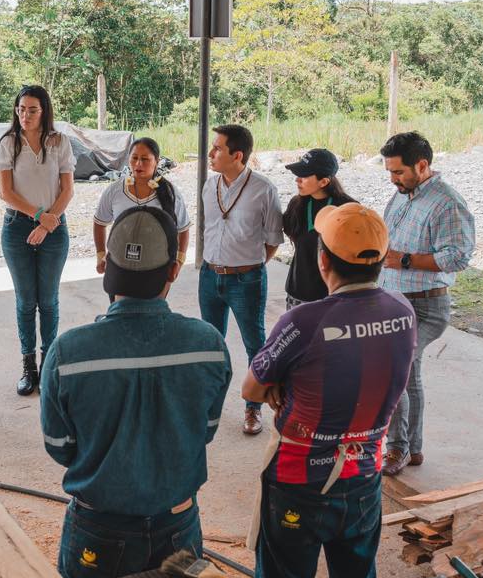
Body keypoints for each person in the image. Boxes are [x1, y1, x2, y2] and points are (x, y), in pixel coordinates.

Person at [242, 204, 416, 578]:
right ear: (381, 260)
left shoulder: (304, 320)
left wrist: (282, 387)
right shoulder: (402, 312)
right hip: (363, 479)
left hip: (298, 483)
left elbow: (252, 389)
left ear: (323, 260)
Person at [41, 206, 231, 578]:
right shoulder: (209, 345)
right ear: (173, 271)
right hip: (177, 524)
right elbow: (204, 431)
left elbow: (59, 447)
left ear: (106, 268)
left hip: (98, 529)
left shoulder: (67, 354)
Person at [377, 131, 475, 476]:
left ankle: (396, 448)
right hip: (393, 300)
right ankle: (413, 448)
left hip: (424, 306)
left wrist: (404, 260)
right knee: (408, 377)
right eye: (389, 172)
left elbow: (458, 257)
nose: (393, 179)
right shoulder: (402, 195)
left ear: (422, 165)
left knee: (391, 372)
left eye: (398, 172)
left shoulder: (447, 203)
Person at [199, 123, 284, 437]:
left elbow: (273, 240)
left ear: (237, 155)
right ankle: (208, 402)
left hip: (246, 279)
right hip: (209, 275)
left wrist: (249, 266)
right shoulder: (210, 185)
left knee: (254, 344)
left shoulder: (263, 189)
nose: (211, 153)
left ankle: (253, 406)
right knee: (210, 342)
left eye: (218, 148)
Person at [0, 85, 74, 395]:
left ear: (44, 112)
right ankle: (29, 366)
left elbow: (67, 190)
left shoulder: (59, 142)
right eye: (21, 109)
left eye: (32, 110)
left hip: (54, 227)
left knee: (49, 301)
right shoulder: (8, 143)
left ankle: (49, 364)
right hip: (17, 228)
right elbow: (6, 192)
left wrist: (48, 222)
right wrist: (40, 216)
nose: (25, 115)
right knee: (26, 301)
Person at [93, 136, 190, 289]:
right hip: (120, 265)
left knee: (153, 304)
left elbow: (183, 230)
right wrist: (101, 255)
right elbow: (99, 223)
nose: (138, 164)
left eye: (145, 159)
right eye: (134, 158)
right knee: (121, 304)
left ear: (157, 161)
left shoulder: (170, 193)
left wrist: (179, 261)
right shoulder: (114, 191)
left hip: (158, 266)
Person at [280, 148, 356, 309]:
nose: (297, 180)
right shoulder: (296, 204)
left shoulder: (349, 208)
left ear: (324, 182)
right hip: (297, 294)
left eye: (304, 175)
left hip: (333, 298)